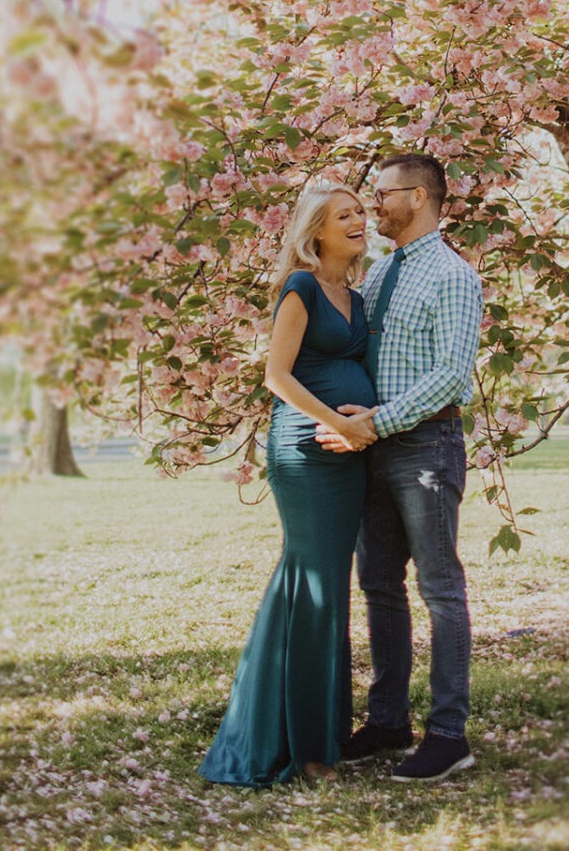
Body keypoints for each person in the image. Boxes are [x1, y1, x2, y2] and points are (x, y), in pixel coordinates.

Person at [199, 181, 377, 787]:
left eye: (361, 211)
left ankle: (304, 730)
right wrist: (339, 425)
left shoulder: (352, 293)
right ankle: (306, 750)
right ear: (316, 231)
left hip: (348, 454)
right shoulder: (301, 287)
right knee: (317, 588)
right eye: (344, 214)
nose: (359, 220)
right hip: (307, 452)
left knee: (316, 587)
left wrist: (365, 427)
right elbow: (277, 376)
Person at [314, 152, 484, 784]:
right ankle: (387, 721)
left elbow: (449, 378)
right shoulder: (380, 274)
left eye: (383, 194)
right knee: (378, 585)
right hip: (373, 450)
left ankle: (448, 734)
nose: (373, 205)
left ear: (418, 198)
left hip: (425, 449)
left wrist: (374, 422)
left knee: (439, 588)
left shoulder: (454, 276)